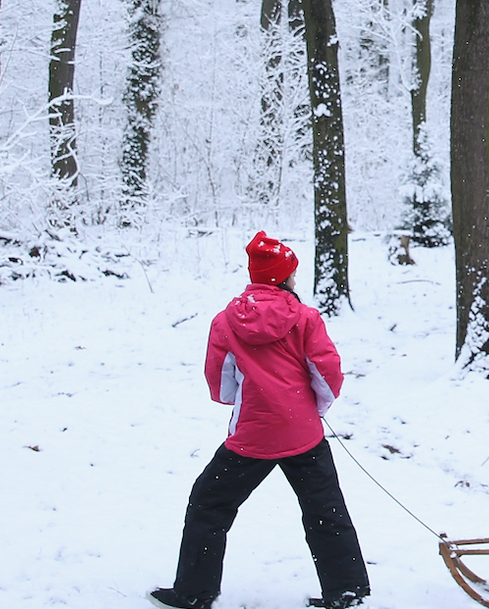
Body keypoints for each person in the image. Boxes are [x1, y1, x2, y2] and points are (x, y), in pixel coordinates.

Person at [150, 231, 370, 609]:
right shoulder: (305, 317)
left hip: (251, 436)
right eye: (292, 275)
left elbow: (219, 382)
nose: (295, 281)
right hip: (303, 433)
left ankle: (194, 591)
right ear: (282, 278)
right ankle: (346, 591)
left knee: (208, 504)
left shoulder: (225, 321)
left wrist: (243, 401)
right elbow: (327, 371)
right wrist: (315, 407)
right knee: (325, 509)